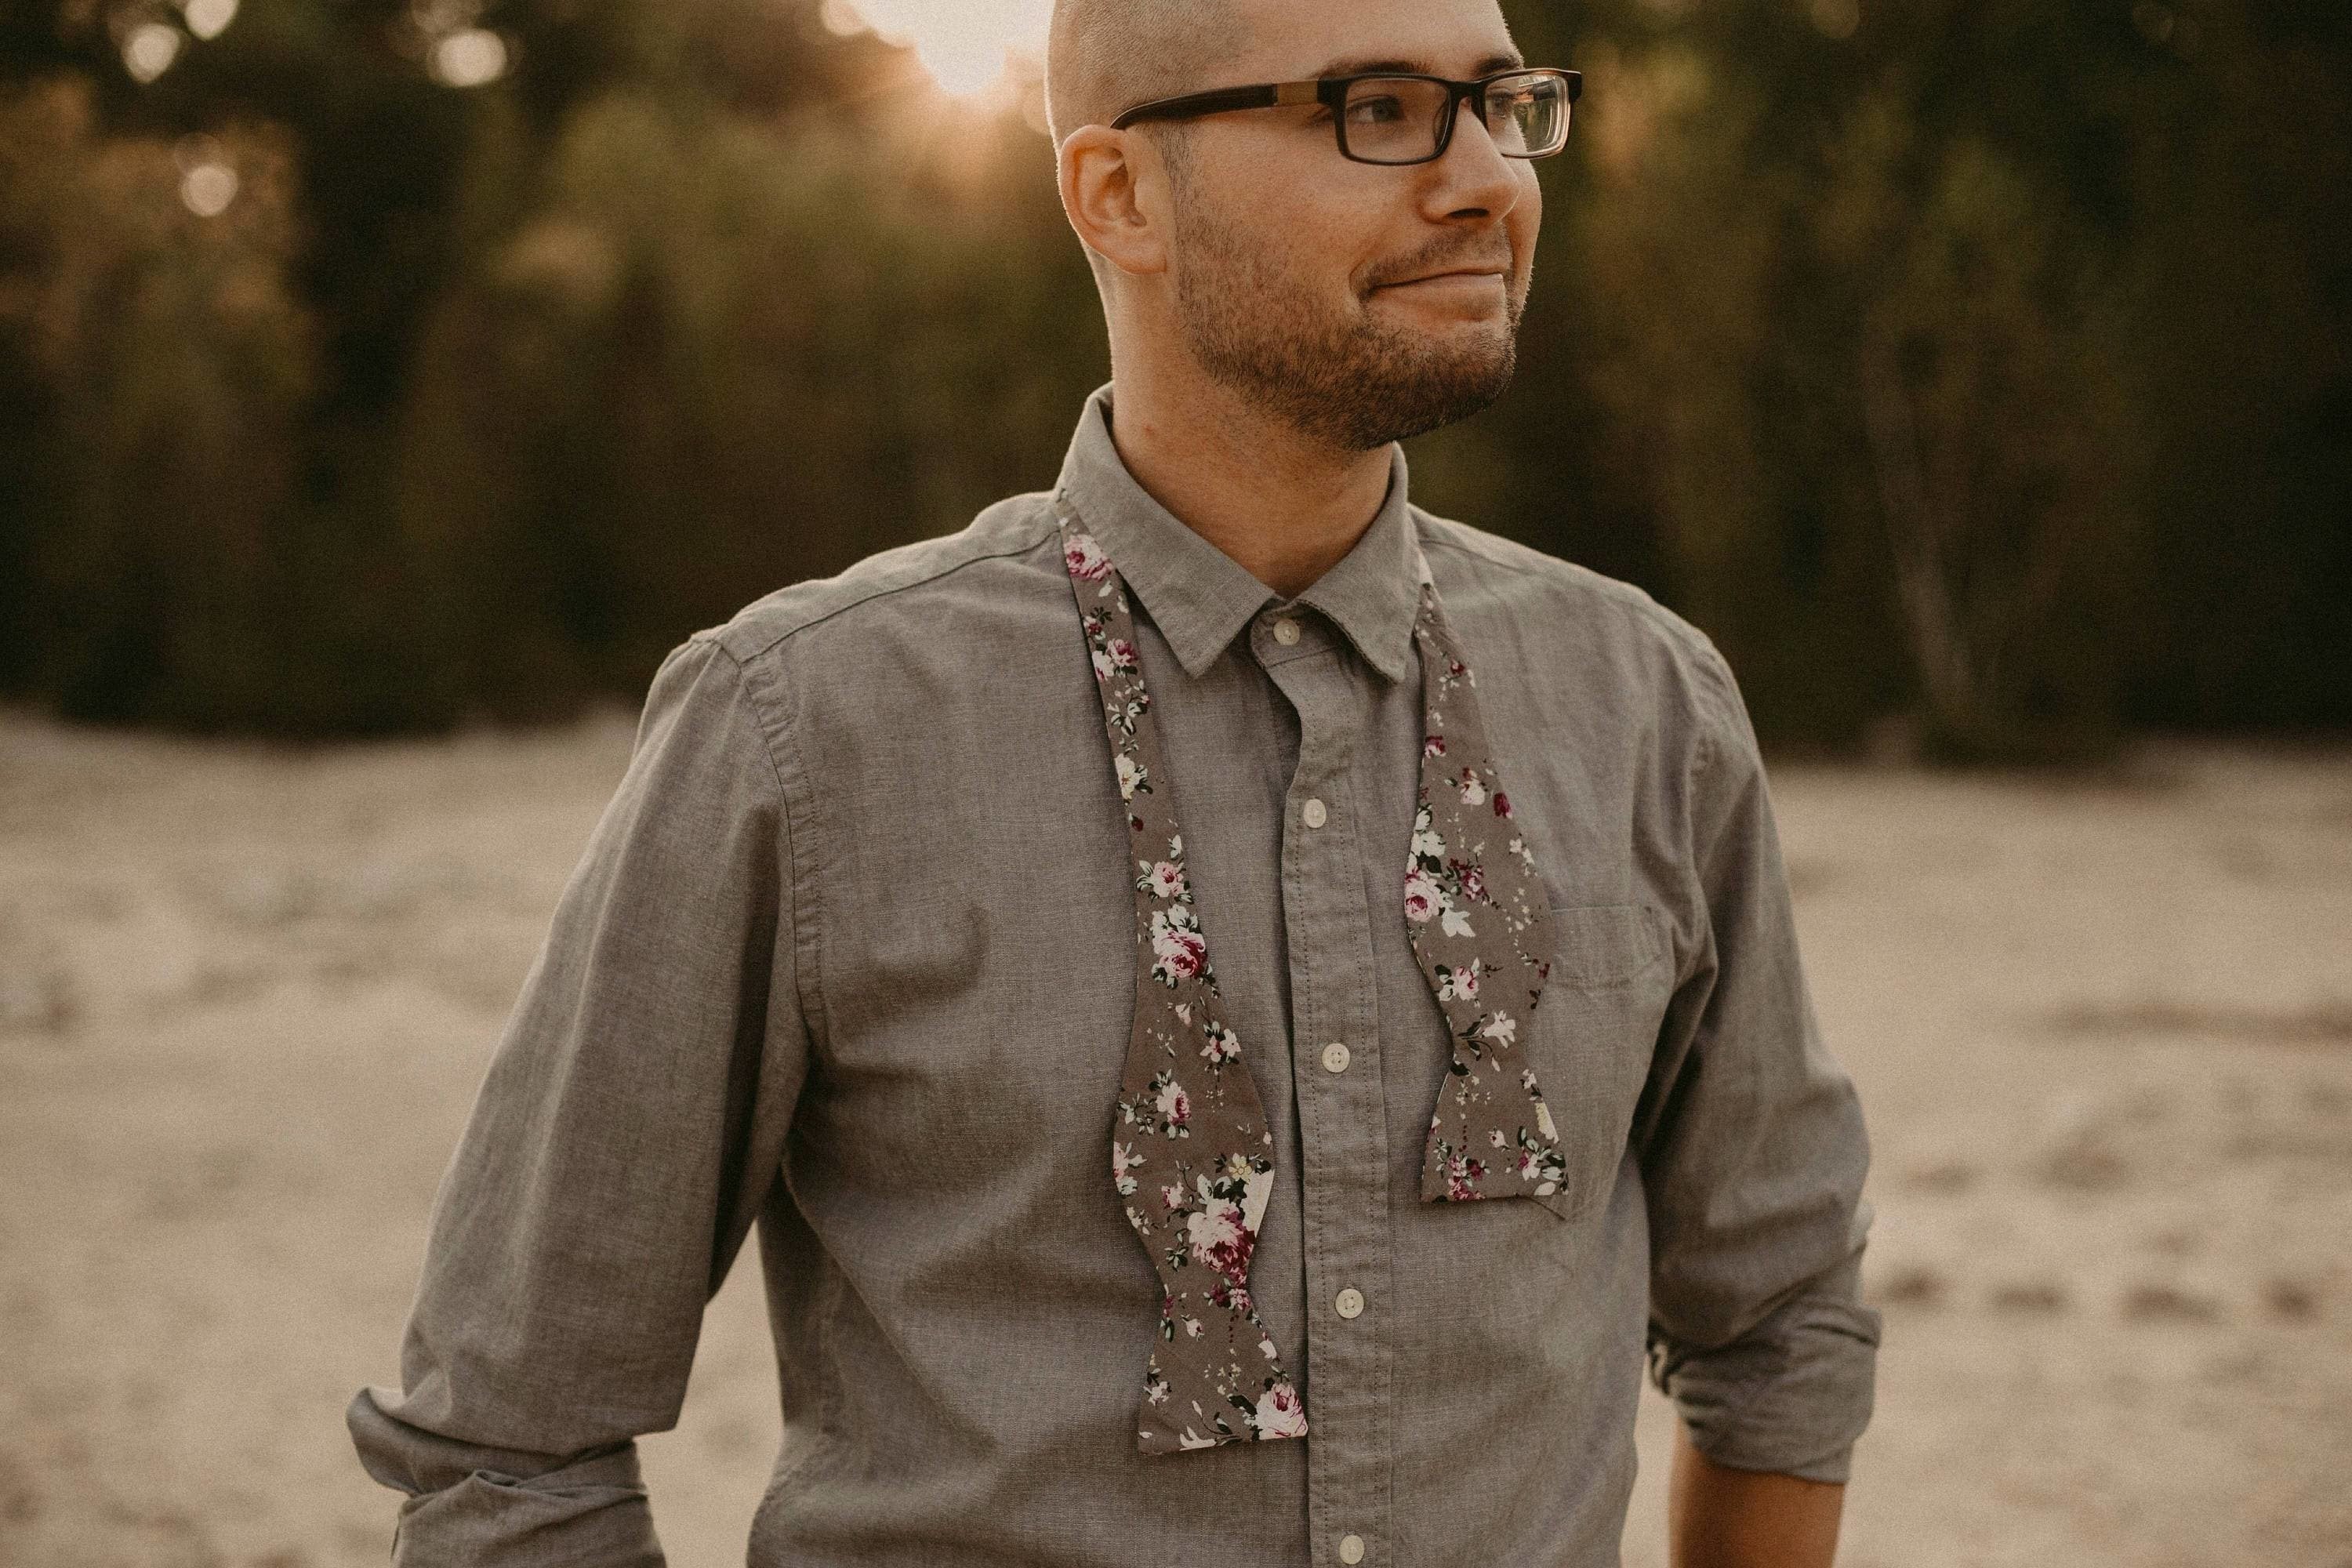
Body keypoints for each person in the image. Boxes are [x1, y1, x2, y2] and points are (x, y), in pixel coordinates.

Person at [347, 0, 1882, 1562]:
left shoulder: (1645, 702)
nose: (1485, 174)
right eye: (1378, 109)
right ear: (1116, 195)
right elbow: (509, 1442)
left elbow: (1781, 1321)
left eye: (1502, 101)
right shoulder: (802, 725)